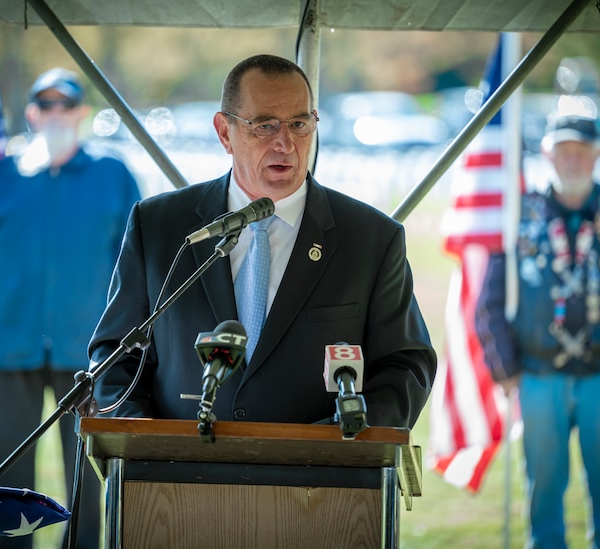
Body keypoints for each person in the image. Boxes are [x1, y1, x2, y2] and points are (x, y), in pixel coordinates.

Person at [89, 54, 437, 431]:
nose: (285, 143)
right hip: (178, 479)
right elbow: (115, 357)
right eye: (265, 125)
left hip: (317, 483)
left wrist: (333, 447)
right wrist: (144, 443)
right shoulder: (159, 227)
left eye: (300, 124)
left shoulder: (371, 238)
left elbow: (405, 368)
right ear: (225, 132)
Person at [0, 67, 142, 549]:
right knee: (7, 474)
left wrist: (133, 336)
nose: (56, 114)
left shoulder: (113, 176)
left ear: (81, 113)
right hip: (14, 344)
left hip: (91, 354)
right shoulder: (0, 177)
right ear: (32, 113)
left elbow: (140, 263)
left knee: (88, 471)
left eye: (66, 105)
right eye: (46, 105)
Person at [475, 114, 600, 548]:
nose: (573, 159)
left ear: (598, 154)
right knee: (542, 502)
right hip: (539, 378)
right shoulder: (520, 214)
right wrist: (506, 370)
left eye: (582, 150)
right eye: (563, 150)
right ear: (547, 153)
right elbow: (488, 300)